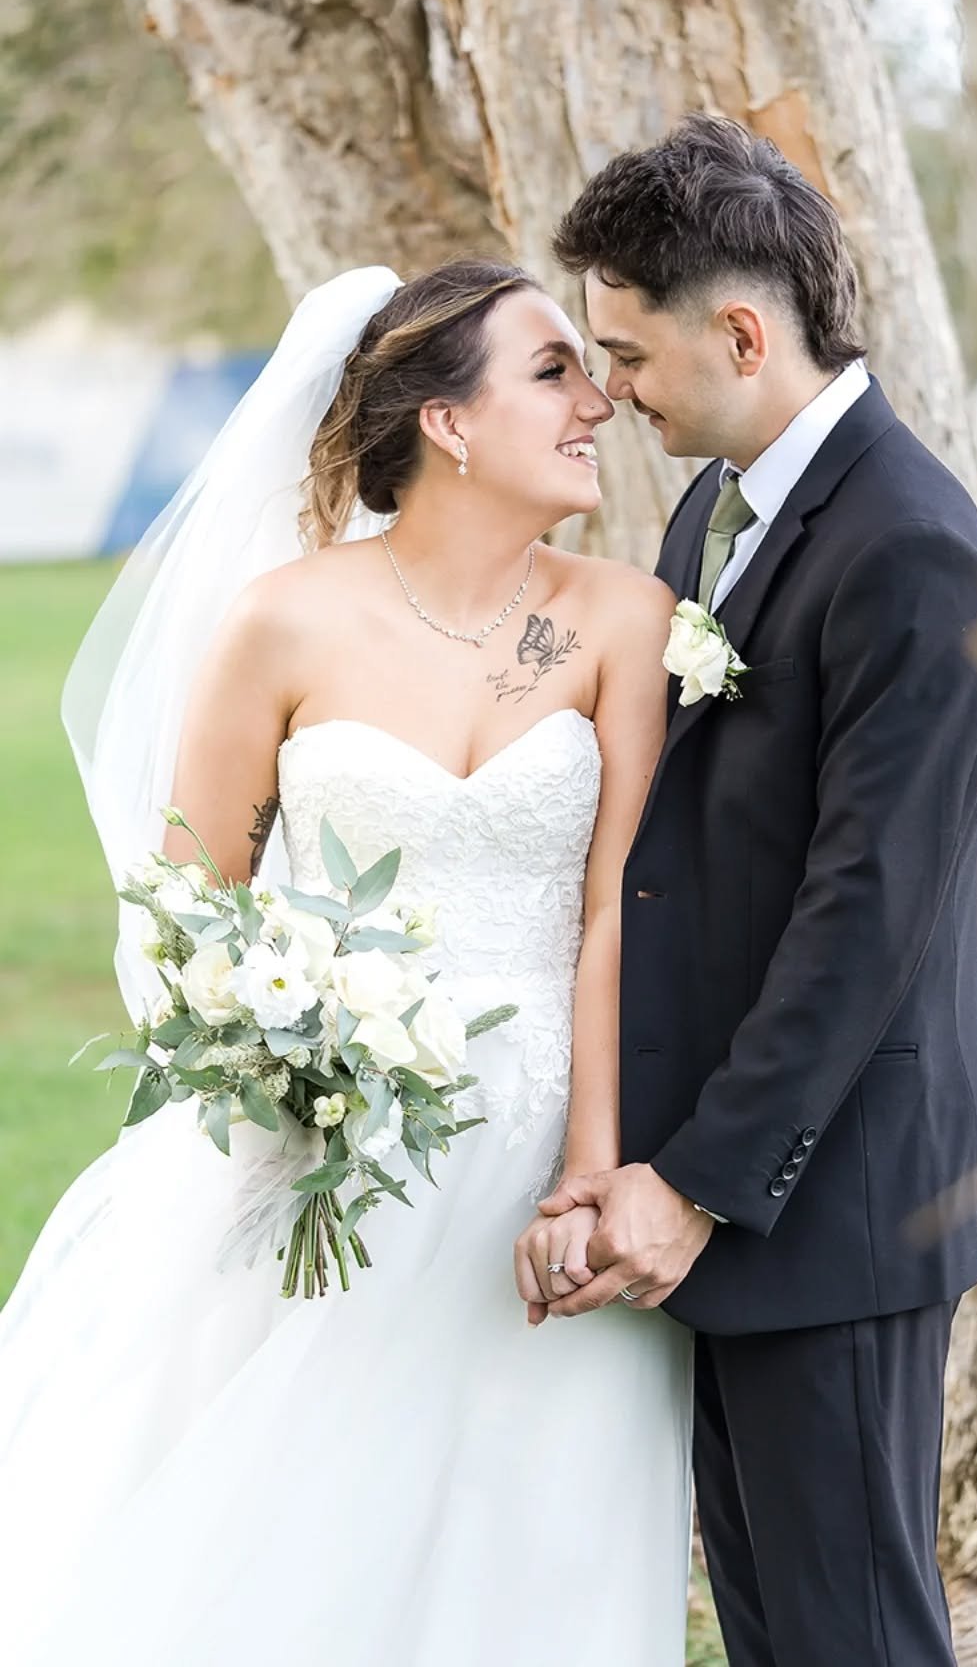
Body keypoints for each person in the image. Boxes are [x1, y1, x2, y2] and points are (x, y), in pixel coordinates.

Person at [0, 260, 692, 1665]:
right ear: (446, 423)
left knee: (538, 1526)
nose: (597, 401)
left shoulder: (622, 616)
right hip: (327, 1154)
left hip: (544, 1140)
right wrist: (288, 1067)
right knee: (291, 1513)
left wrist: (595, 1166)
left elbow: (618, 901)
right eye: (553, 371)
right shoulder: (283, 622)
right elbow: (190, 908)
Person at [514, 114, 977, 1667]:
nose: (606, 391)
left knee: (852, 1632)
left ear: (743, 333)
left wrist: (700, 1182)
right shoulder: (714, 504)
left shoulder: (915, 549)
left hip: (837, 1196)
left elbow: (863, 919)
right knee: (772, 1626)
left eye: (627, 354)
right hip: (730, 1191)